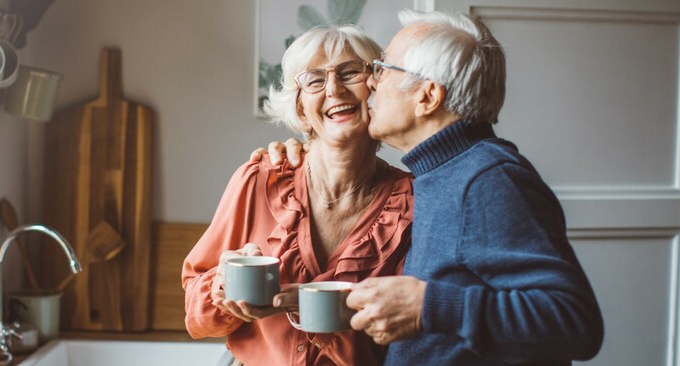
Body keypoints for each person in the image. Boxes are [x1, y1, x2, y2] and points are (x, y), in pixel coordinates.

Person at [253, 9, 604, 366]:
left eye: (384, 68)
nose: (371, 83)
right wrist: (355, 301)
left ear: (427, 97)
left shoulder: (488, 180)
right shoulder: (444, 174)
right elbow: (459, 294)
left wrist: (425, 306)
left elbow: (575, 322)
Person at [182, 24, 415, 366]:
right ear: (301, 107)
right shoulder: (258, 179)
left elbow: (412, 339)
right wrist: (222, 286)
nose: (334, 89)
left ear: (376, 88)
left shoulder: (412, 203)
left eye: (350, 72)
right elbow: (195, 314)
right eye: (315, 80)